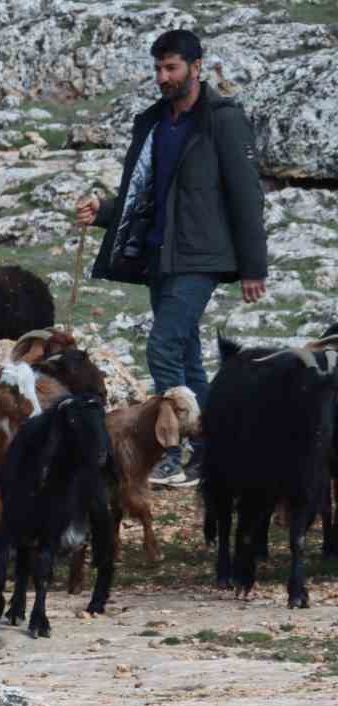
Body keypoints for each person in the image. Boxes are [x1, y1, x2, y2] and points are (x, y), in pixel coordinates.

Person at [74, 28, 267, 488]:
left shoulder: (222, 119)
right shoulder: (154, 122)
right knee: (185, 355)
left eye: (172, 67)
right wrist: (104, 212)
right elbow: (145, 195)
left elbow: (246, 194)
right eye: (158, 68)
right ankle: (213, 451)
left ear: (196, 67)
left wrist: (254, 266)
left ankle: (175, 449)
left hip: (202, 258)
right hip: (160, 257)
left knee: (162, 345)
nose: (163, 77)